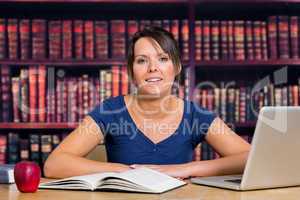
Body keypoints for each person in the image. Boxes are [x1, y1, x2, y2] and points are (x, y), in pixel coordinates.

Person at [44, 26, 250, 179]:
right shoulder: (111, 111)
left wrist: (186, 169)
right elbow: (54, 164)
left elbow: (250, 158)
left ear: (177, 67)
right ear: (132, 72)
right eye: (142, 60)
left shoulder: (195, 115)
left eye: (162, 58)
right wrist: (129, 171)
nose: (153, 68)